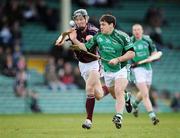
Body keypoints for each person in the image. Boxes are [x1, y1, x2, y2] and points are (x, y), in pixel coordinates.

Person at [55, 10, 132, 129]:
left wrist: (79, 40)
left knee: (89, 88)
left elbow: (95, 43)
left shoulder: (94, 30)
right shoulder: (73, 31)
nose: (79, 21)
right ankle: (125, 95)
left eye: (82, 19)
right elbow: (63, 36)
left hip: (95, 64)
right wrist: (61, 39)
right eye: (77, 19)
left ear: (86, 19)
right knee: (99, 95)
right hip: (82, 65)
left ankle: (88, 120)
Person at [130, 24, 161, 125]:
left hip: (148, 68)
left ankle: (134, 104)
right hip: (137, 69)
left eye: (138, 29)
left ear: (142, 31)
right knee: (145, 94)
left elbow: (154, 52)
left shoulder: (147, 39)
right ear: (132, 31)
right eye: (134, 30)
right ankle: (152, 116)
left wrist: (152, 56)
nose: (137, 32)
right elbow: (126, 54)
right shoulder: (130, 41)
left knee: (144, 92)